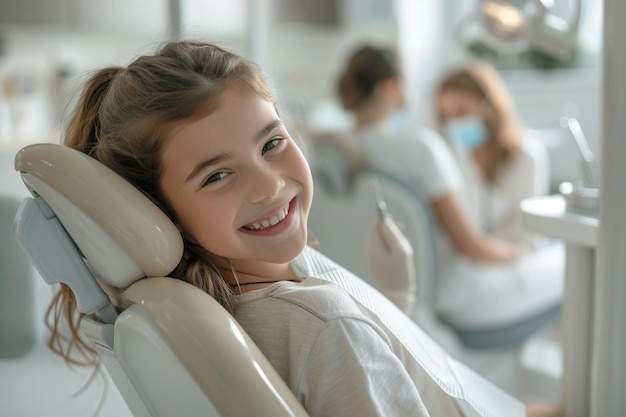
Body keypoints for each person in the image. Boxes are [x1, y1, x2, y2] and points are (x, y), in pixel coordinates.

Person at [46, 40, 562, 417]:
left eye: (272, 143)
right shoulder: (328, 326)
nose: (268, 186)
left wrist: (393, 302)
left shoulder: (231, 302)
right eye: (218, 175)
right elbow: (338, 350)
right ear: (160, 209)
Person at [336, 44, 562, 331]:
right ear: (392, 87)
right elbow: (470, 245)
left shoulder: (338, 149)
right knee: (573, 263)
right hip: (451, 287)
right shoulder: (421, 148)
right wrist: (520, 257)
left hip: (381, 282)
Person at [433, 62, 564, 328]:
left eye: (462, 112)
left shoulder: (527, 155)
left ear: (490, 108)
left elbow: (523, 239)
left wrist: (484, 251)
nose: (453, 124)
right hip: (475, 261)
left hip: (512, 254)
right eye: (446, 116)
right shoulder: (453, 156)